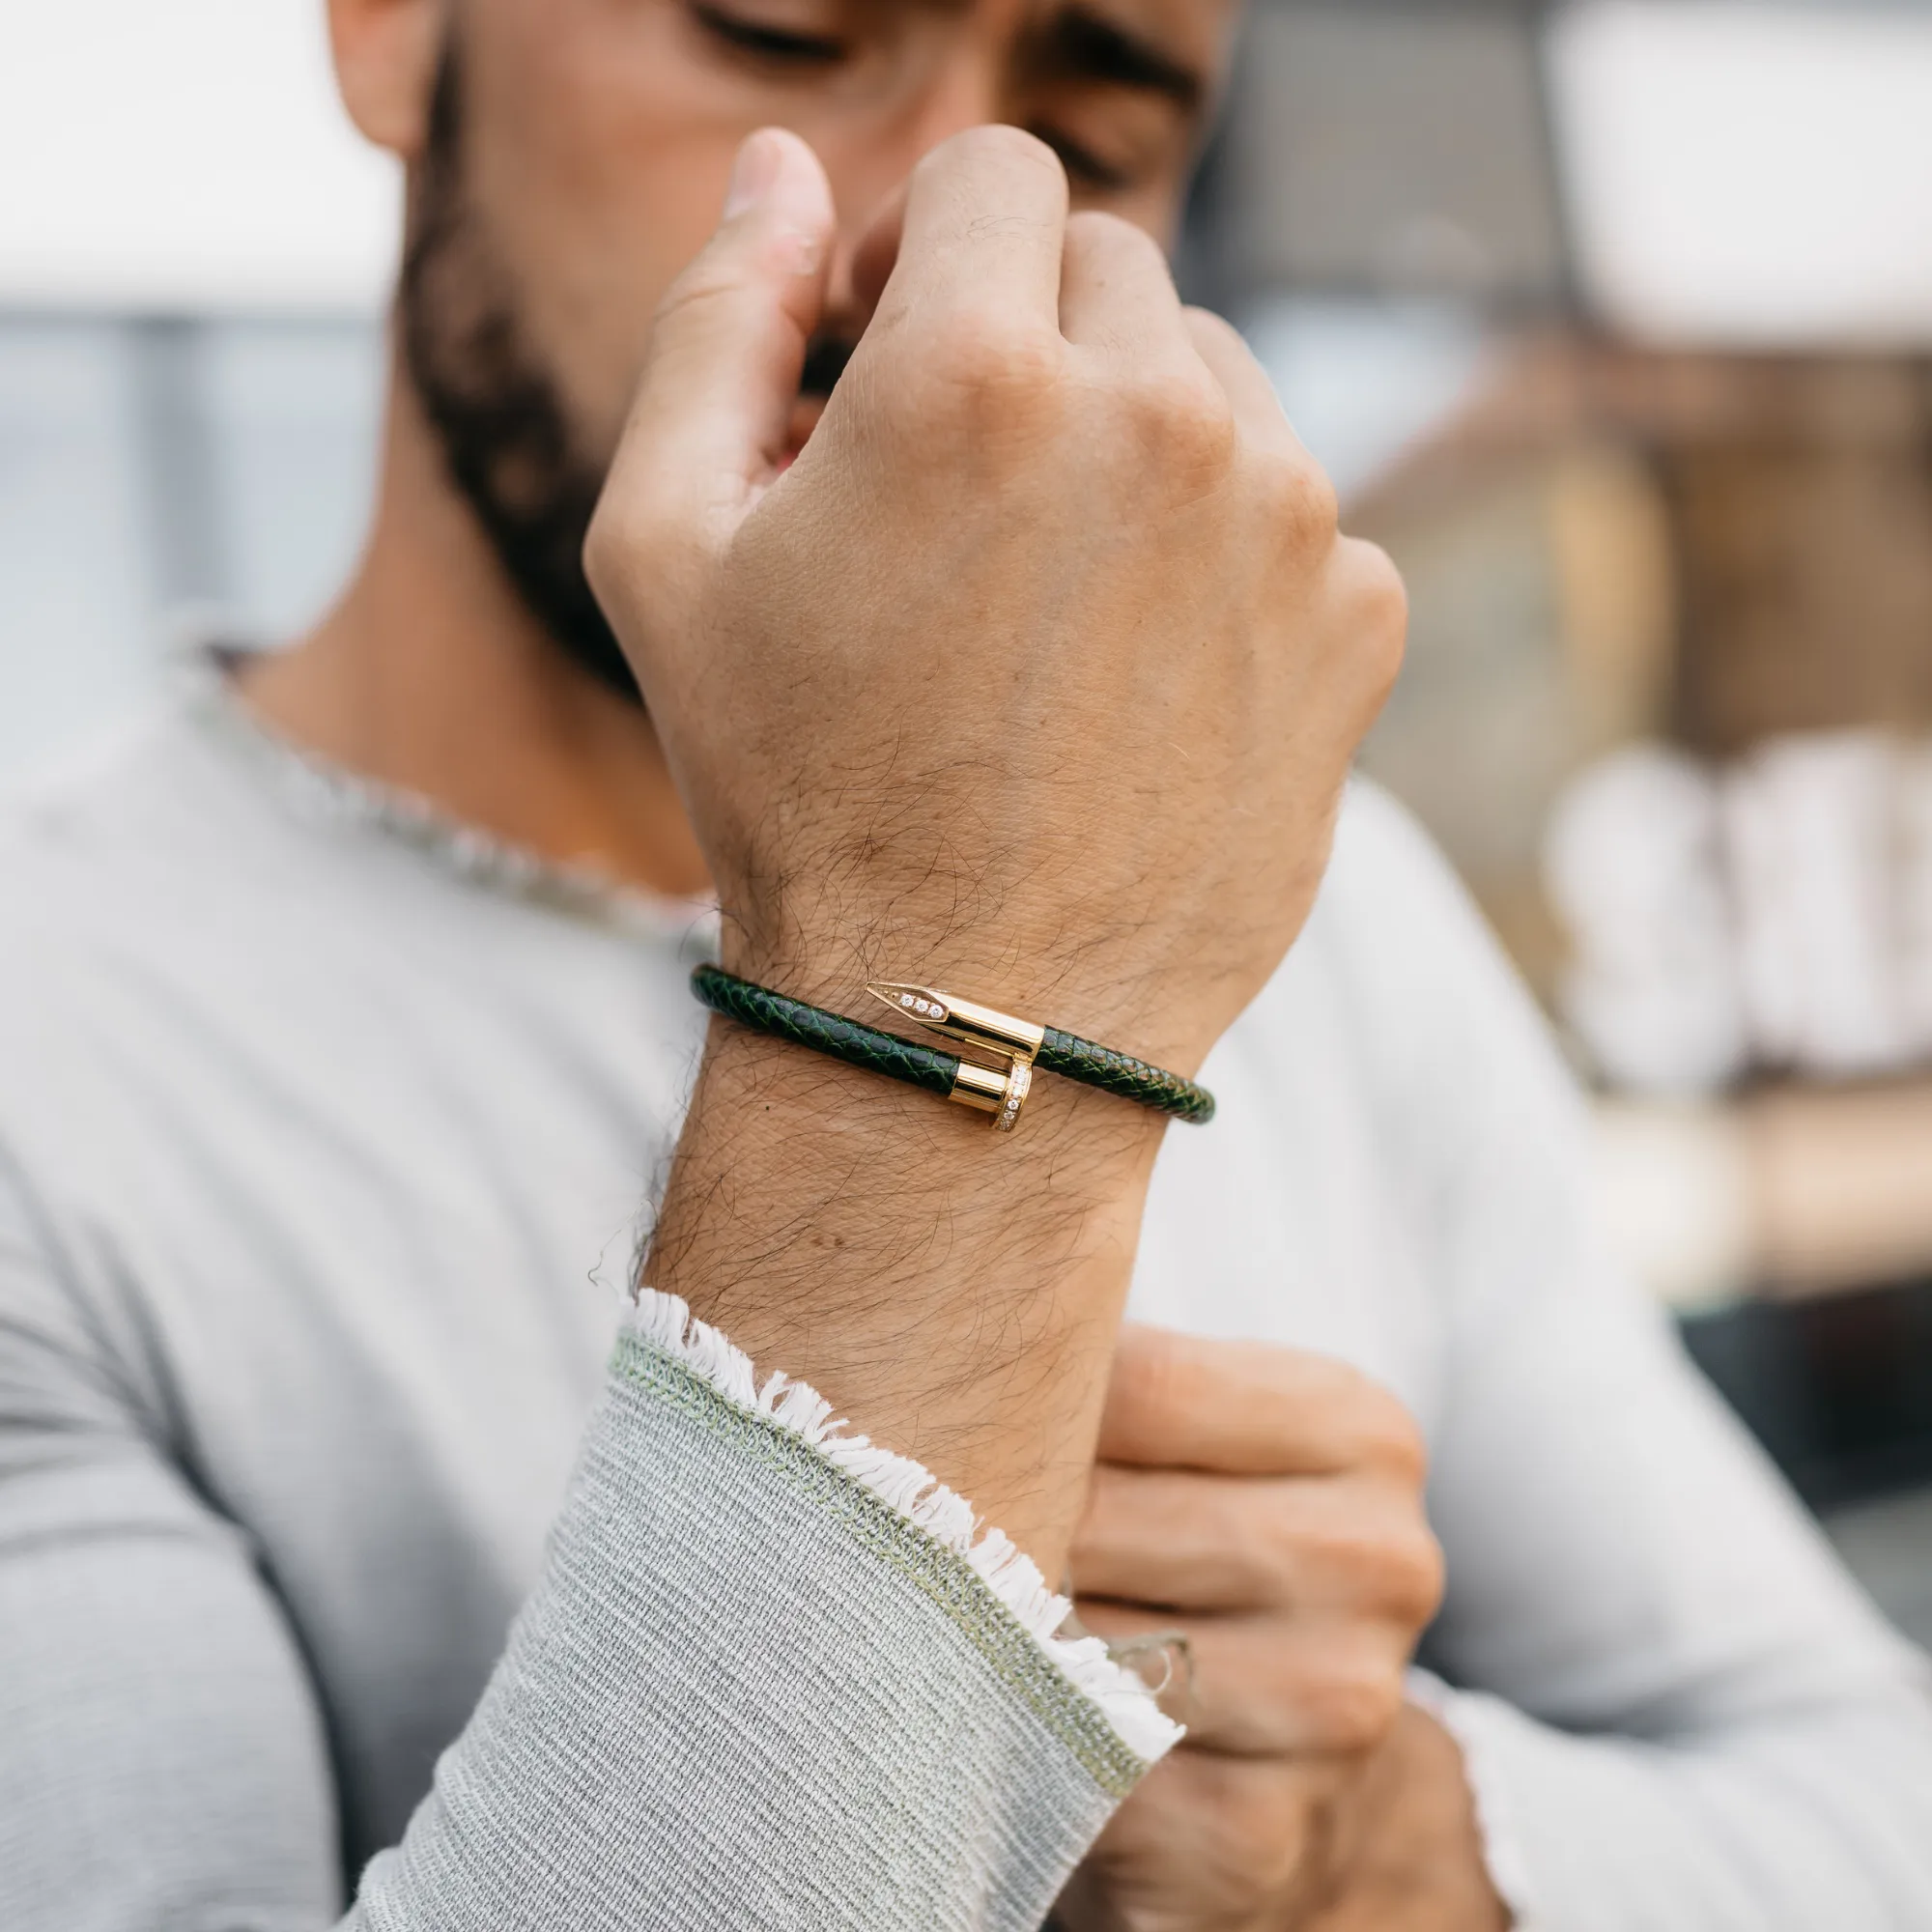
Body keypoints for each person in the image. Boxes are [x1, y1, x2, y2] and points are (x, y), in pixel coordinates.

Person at [1, 0, 1928, 1925]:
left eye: (1094, 125)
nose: (943, 234)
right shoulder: (54, 1056)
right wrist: (931, 1017)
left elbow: (1861, 1803)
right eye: (788, 33)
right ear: (393, 34)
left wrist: (1386, 1844)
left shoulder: (1325, 904)